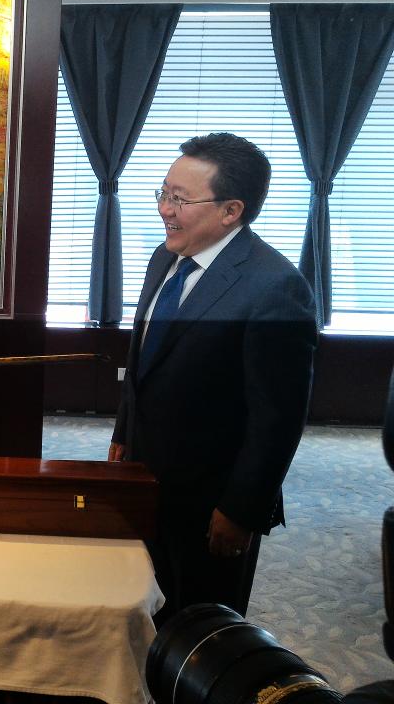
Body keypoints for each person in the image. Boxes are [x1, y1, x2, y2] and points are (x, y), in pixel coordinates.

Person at [109, 132, 317, 624]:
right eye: (162, 192)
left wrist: (241, 511)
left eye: (179, 200)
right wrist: (122, 438)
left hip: (211, 501)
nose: (164, 209)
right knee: (141, 611)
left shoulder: (275, 288)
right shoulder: (166, 258)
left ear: (231, 211)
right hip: (146, 480)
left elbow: (278, 418)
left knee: (201, 629)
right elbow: (142, 363)